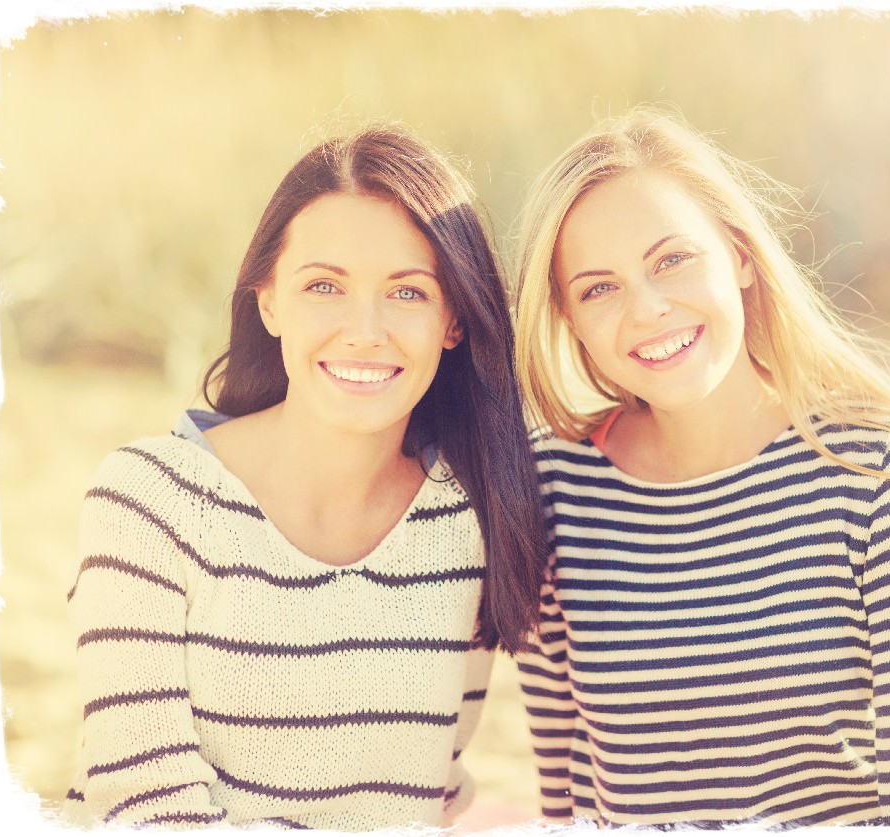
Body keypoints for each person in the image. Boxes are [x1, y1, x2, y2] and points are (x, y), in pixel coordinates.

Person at [513, 108, 890, 828]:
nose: (647, 309)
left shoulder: (882, 475)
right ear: (568, 319)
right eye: (598, 288)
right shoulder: (554, 491)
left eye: (672, 259)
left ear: (739, 255)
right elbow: (563, 792)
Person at [62, 125, 546, 830]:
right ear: (268, 302)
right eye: (324, 285)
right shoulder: (147, 502)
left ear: (454, 320)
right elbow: (147, 808)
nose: (365, 330)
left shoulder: (469, 520)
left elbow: (430, 792)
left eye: (408, 293)